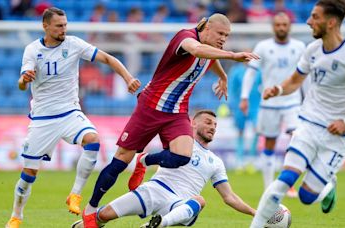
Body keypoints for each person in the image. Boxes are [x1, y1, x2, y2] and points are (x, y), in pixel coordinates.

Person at [80, 13, 259, 227]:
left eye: (227, 36)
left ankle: (144, 160)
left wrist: (223, 75)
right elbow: (197, 50)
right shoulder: (185, 38)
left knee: (183, 155)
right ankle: (91, 209)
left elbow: (210, 58)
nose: (223, 39)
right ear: (207, 28)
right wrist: (231, 55)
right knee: (120, 160)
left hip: (177, 112)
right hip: (151, 106)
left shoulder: (209, 49)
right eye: (220, 33)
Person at [5, 7, 141, 228]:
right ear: (45, 26)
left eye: (65, 25)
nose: (63, 29)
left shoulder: (74, 44)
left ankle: (75, 194)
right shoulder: (32, 50)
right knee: (29, 173)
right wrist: (24, 79)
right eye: (59, 26)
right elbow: (22, 84)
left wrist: (128, 77)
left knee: (93, 140)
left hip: (70, 111)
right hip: (42, 119)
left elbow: (107, 58)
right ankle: (16, 215)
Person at [250, 0, 345, 227]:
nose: (308, 22)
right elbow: (295, 81)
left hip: (339, 136)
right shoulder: (312, 50)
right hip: (308, 123)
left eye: (315, 17)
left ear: (332, 22)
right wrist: (277, 89)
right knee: (284, 180)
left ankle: (328, 184)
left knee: (307, 197)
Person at [72, 110, 256, 228]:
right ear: (193, 123)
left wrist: (256, 213)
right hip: (154, 189)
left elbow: (229, 197)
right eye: (208, 122)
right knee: (103, 215)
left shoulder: (216, 162)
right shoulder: (179, 141)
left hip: (179, 203)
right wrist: (144, 161)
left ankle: (159, 224)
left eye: (215, 125)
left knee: (199, 200)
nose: (212, 127)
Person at [239, 12, 306, 197]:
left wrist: (307, 99)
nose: (281, 28)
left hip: (293, 101)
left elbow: (304, 76)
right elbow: (251, 73)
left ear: (289, 26)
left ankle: (288, 183)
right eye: (278, 24)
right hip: (269, 102)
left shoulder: (299, 47)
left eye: (284, 24)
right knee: (269, 143)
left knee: (297, 139)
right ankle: (269, 187)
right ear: (273, 26)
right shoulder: (263, 46)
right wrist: (244, 97)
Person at [227, 61, 261, 171]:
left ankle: (251, 160)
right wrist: (230, 104)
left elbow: (264, 85)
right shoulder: (236, 71)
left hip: (255, 105)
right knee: (240, 132)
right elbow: (231, 88)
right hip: (240, 105)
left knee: (257, 131)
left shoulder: (258, 71)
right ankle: (239, 160)